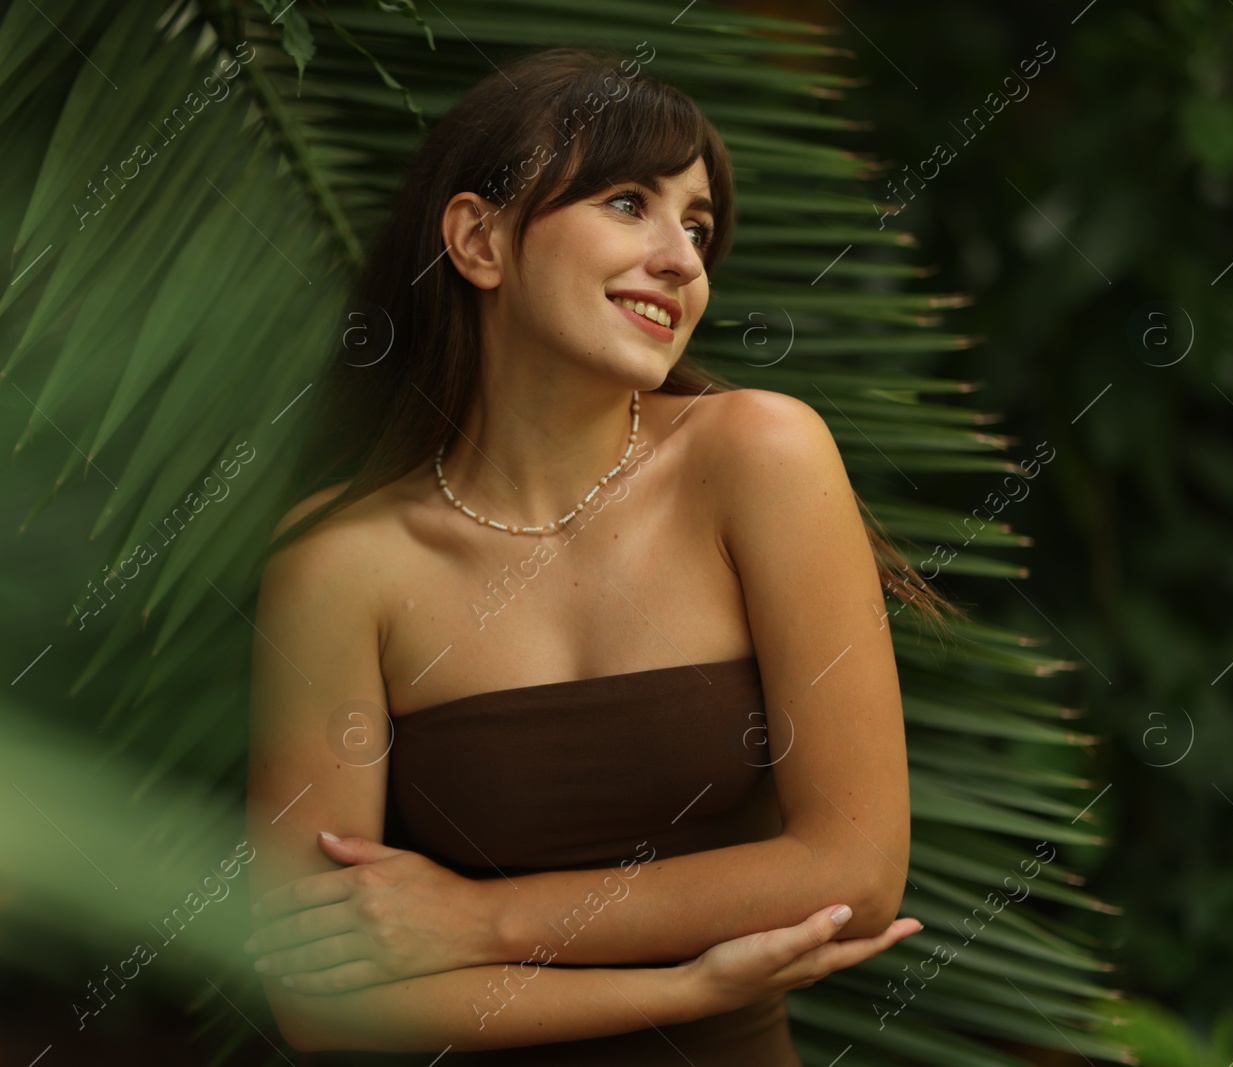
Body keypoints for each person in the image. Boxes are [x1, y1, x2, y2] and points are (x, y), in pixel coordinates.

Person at [242, 46, 950, 1064]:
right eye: (628, 202)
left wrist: (479, 921)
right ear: (478, 241)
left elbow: (854, 868)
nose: (682, 258)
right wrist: (675, 985)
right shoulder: (341, 560)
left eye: (698, 226)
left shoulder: (757, 454)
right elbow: (320, 1000)